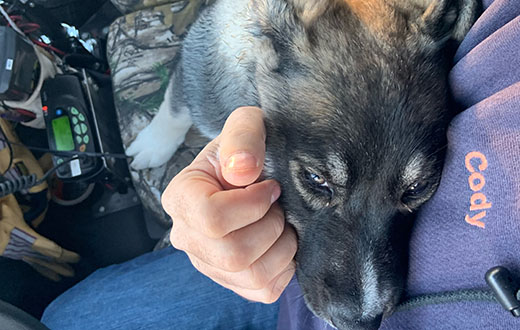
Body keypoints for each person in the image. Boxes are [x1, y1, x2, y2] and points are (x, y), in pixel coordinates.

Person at [42, 0, 519, 328]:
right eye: (317, 180)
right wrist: (170, 131)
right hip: (276, 286)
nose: (367, 304)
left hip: (286, 296)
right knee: (65, 319)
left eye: (415, 190)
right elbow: (197, 74)